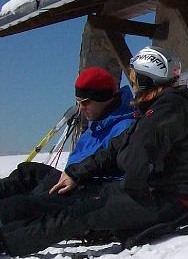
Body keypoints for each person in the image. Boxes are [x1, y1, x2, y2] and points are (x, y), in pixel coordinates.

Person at [0, 46, 188, 258]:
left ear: (147, 80)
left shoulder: (166, 110)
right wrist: (77, 173)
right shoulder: (158, 108)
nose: (132, 84)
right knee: (78, 204)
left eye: (135, 78)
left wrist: (117, 201)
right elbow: (116, 147)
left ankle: (6, 242)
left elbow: (137, 158)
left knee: (81, 212)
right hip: (150, 193)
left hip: (165, 199)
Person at [0, 67, 135, 201]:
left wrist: (77, 178)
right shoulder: (97, 125)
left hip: (89, 191)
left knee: (18, 206)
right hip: (71, 181)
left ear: (103, 98)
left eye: (86, 102)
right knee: (29, 172)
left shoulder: (125, 128)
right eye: (78, 102)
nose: (81, 108)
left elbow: (116, 170)